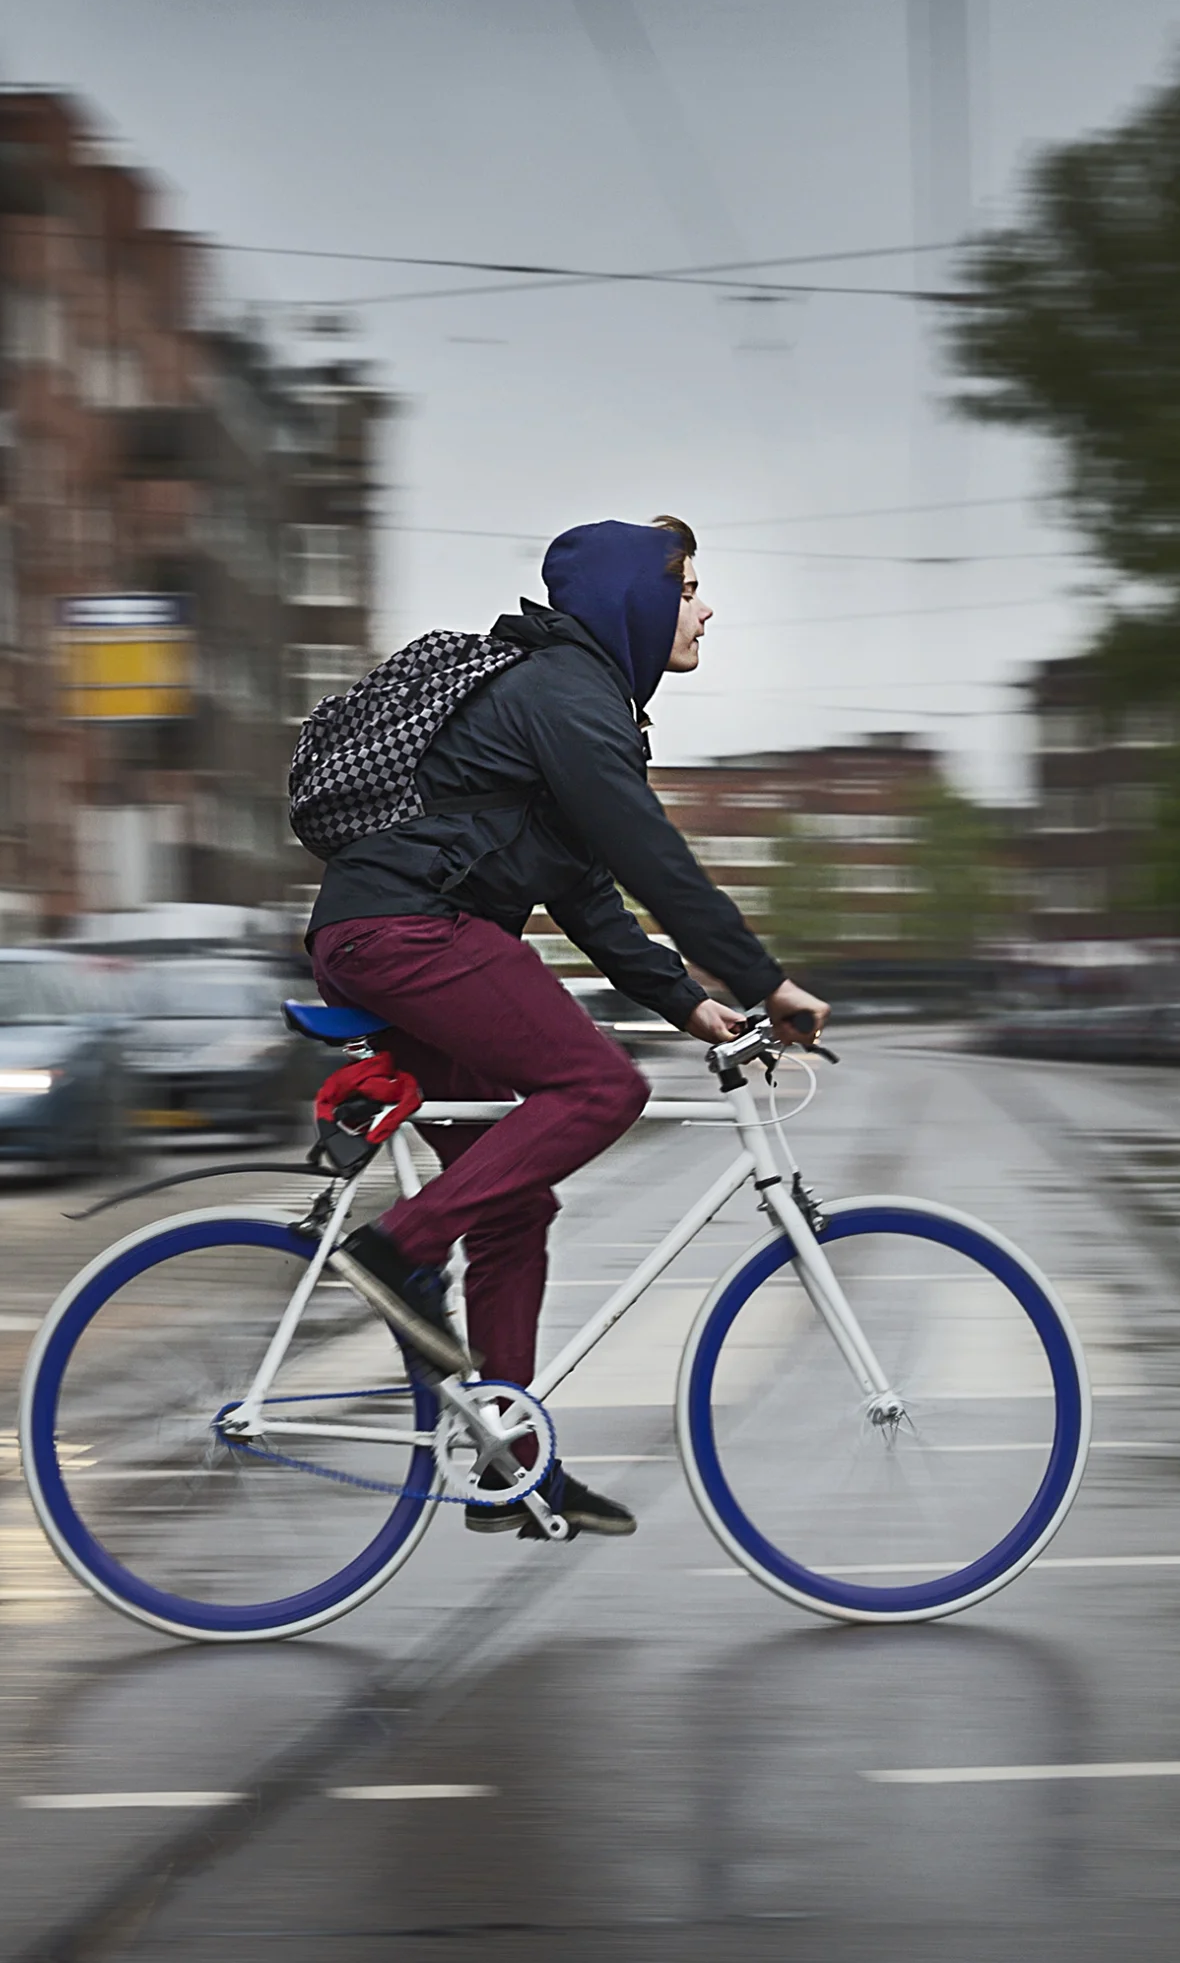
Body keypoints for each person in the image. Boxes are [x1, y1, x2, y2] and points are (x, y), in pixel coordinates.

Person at [305, 517, 831, 1538]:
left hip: (404, 934)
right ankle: (394, 1250)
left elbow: (594, 898)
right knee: (602, 1088)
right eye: (687, 587)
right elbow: (651, 855)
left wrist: (692, 1002)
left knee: (513, 1206)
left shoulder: (575, 706)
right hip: (404, 932)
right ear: (634, 601)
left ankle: (513, 1461)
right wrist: (767, 980)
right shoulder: (563, 694)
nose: (705, 607)